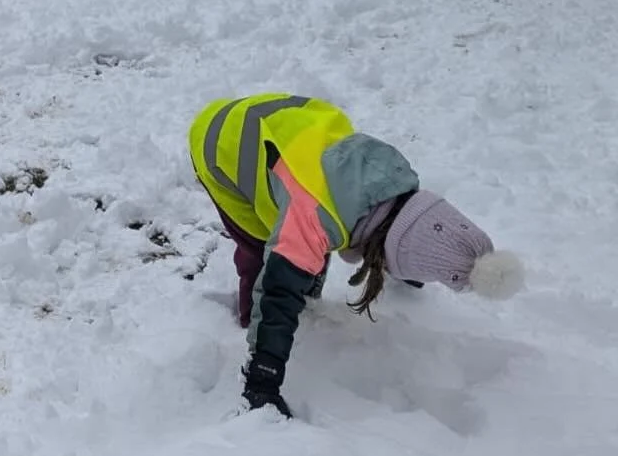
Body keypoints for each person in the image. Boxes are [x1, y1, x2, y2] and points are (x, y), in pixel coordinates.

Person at [188, 94, 523, 418]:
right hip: (221, 143)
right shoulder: (315, 214)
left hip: (283, 122)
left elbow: (407, 228)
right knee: (265, 249)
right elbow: (278, 293)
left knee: (302, 243)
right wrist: (263, 378)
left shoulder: (393, 174)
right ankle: (245, 318)